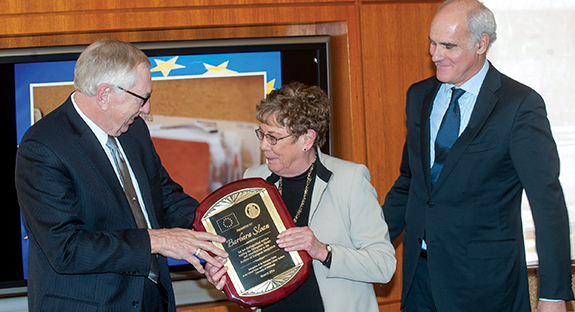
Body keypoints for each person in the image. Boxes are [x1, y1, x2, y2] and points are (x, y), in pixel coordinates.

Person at [381, 0, 574, 311]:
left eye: (448, 45)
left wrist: (553, 295)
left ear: (481, 43)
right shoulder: (419, 95)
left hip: (487, 287)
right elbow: (411, 183)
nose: (435, 54)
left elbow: (547, 203)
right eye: (432, 42)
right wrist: (367, 247)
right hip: (420, 281)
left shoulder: (519, 106)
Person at [15, 38, 228, 312]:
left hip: (150, 299)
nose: (147, 110)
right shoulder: (43, 148)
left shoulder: (134, 130)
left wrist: (220, 234)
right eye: (142, 98)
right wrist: (158, 240)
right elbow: (67, 249)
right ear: (104, 95)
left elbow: (164, 196)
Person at [205, 82, 396, 311]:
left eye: (273, 137)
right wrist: (224, 271)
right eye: (261, 134)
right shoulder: (253, 179)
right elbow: (244, 254)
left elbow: (384, 266)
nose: (263, 145)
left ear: (307, 139)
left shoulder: (350, 179)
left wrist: (322, 251)